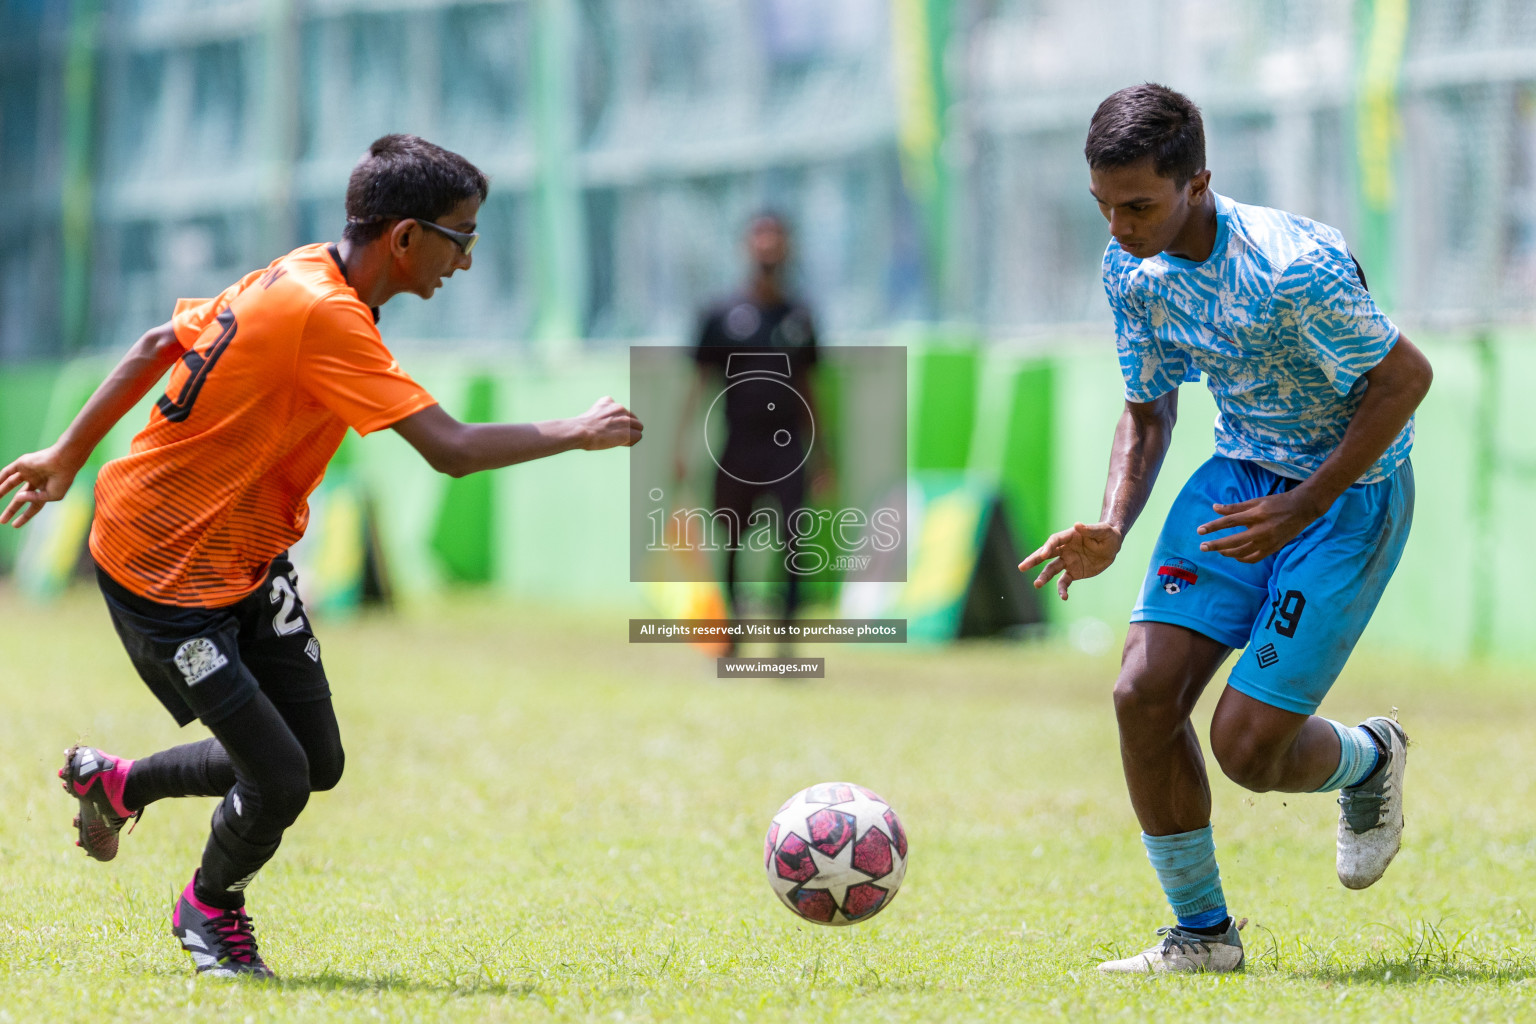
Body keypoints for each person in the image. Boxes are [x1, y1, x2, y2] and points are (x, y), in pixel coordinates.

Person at [0, 134, 642, 979]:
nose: (469, 259)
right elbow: (447, 449)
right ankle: (207, 910)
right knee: (282, 779)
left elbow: (163, 339)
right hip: (162, 570)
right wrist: (576, 432)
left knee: (316, 760)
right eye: (463, 235)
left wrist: (68, 454)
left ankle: (118, 785)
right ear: (405, 237)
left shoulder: (306, 271)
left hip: (242, 557)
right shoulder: (324, 313)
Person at [1017, 85, 1432, 974]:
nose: (1120, 227)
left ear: (1197, 182)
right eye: (1105, 207)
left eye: (1139, 206)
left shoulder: (1293, 267)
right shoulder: (1130, 269)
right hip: (1238, 480)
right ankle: (1202, 936)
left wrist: (1307, 502)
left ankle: (1366, 760)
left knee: (1246, 749)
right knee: (1141, 696)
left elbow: (1404, 379)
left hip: (1348, 497)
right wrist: (1115, 523)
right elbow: (1149, 408)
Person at [673, 213, 827, 647]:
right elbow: (699, 383)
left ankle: (786, 637)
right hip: (738, 443)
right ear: (747, 247)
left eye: (775, 239)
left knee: (794, 542)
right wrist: (681, 445)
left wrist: (822, 454)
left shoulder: (800, 315)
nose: (768, 249)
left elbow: (810, 388)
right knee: (732, 541)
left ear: (787, 248)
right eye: (760, 239)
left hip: (788, 448)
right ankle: (734, 632)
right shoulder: (720, 314)